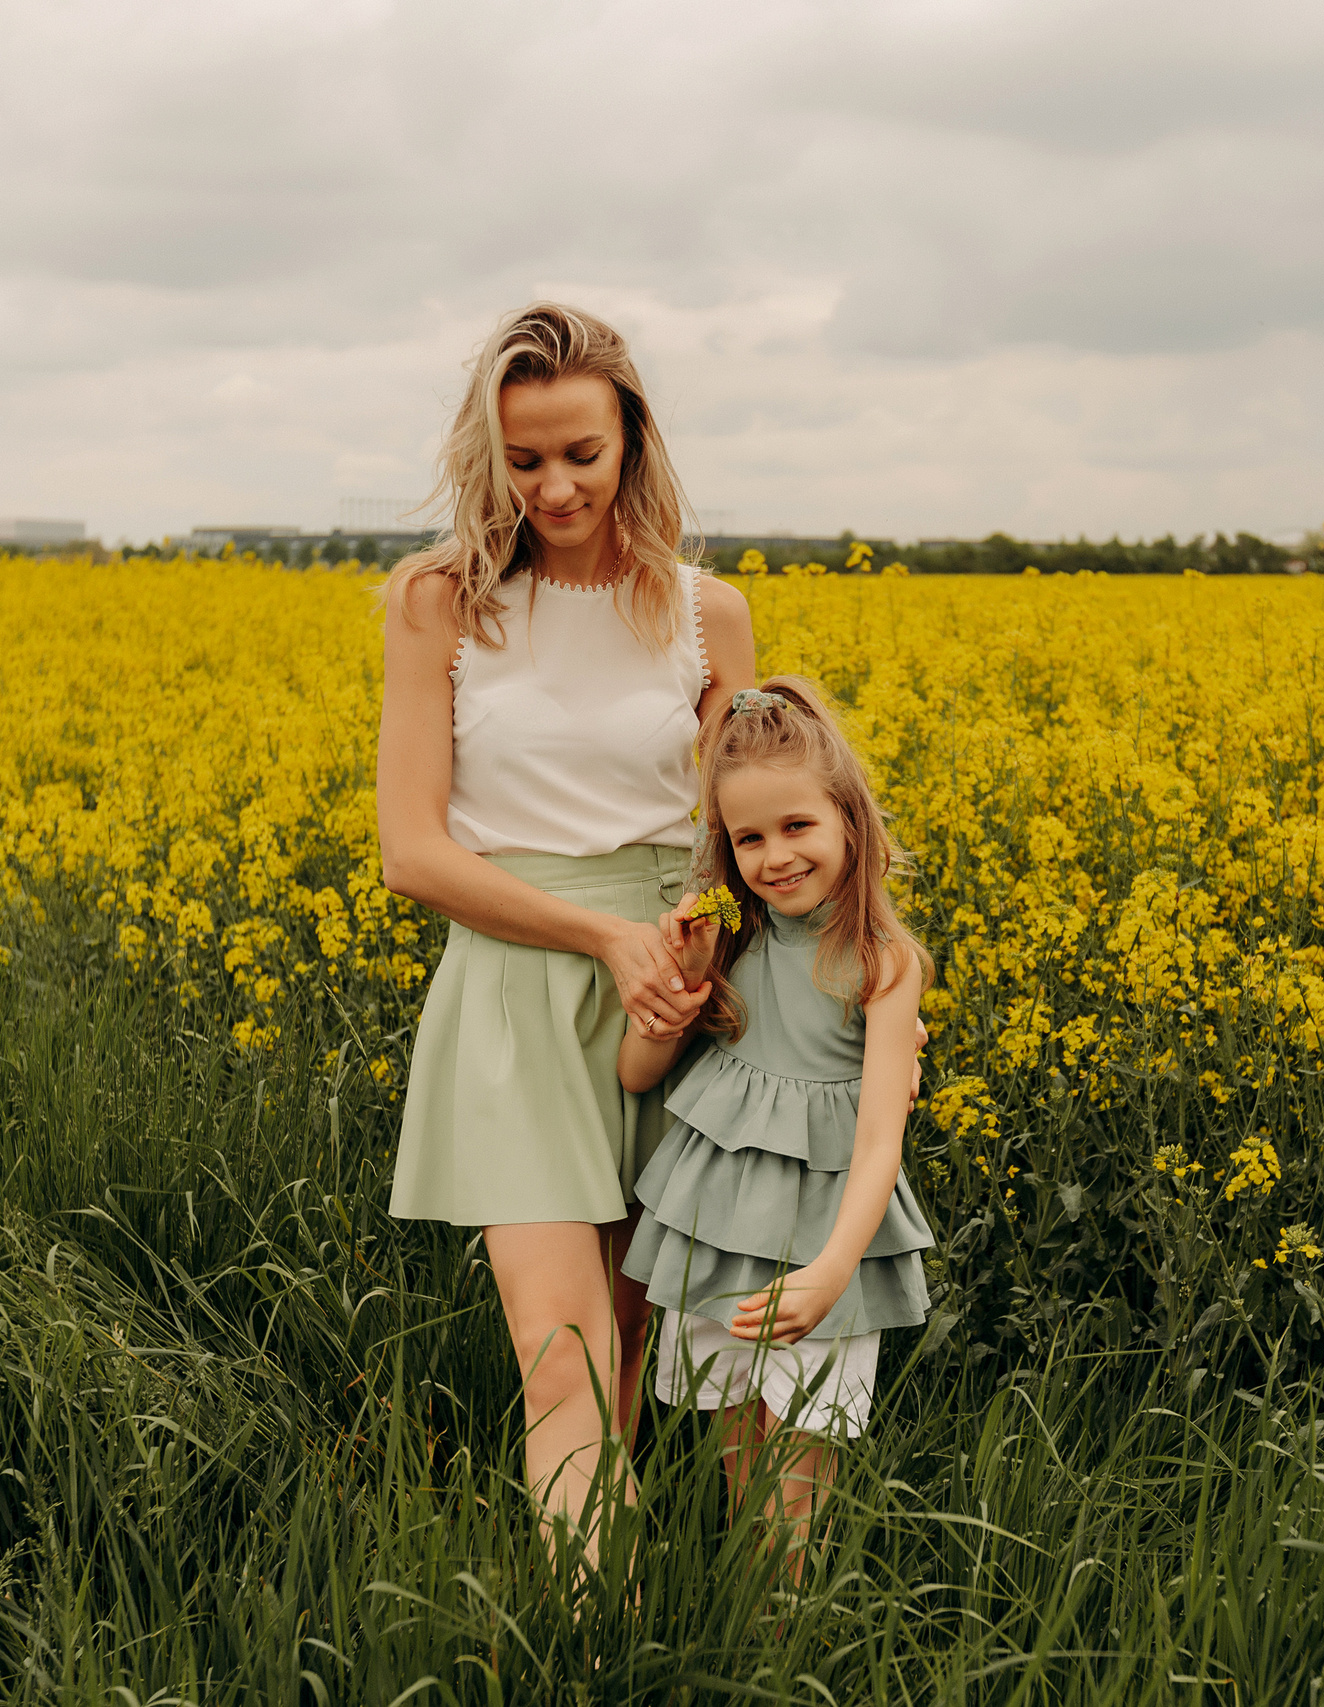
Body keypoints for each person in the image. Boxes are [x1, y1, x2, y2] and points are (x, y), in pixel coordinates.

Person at [377, 303, 756, 1560]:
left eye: (579, 455)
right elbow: (412, 854)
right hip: (520, 992)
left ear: (631, 440)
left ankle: (628, 1630)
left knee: (632, 1351)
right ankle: (586, 1653)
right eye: (522, 458)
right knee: (562, 1363)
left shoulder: (710, 615)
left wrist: (691, 951)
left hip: (670, 998)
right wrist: (600, 942)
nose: (552, 486)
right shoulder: (439, 602)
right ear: (487, 454)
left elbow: (738, 829)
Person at [616, 676, 934, 1580]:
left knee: (801, 1476)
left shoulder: (880, 962)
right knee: (740, 1464)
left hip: (821, 1244)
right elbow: (637, 1073)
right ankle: (747, 1624)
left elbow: (879, 1140)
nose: (774, 856)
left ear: (848, 820)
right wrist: (677, 984)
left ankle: (782, 1635)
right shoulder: (731, 940)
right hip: (717, 1231)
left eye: (797, 827)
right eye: (748, 838)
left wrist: (833, 1270)